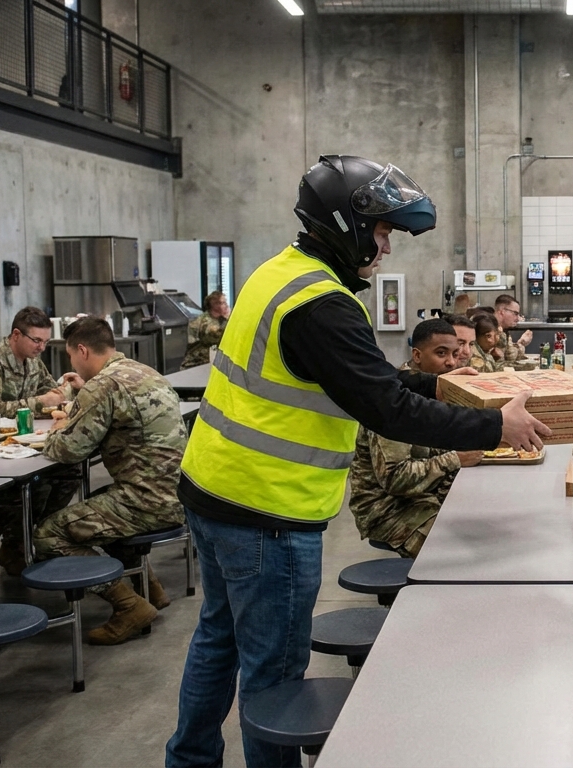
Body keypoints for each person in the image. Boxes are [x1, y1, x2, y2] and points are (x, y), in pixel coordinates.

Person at [167, 155, 549, 768]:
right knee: (274, 674)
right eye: (383, 231)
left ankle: (188, 761)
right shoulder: (323, 304)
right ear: (349, 224)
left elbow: (364, 378)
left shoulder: (282, 273)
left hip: (214, 488)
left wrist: (446, 386)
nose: (387, 246)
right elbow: (385, 408)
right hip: (268, 509)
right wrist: (495, 424)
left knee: (218, 640)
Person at [32, 318, 186, 644]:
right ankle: (150, 588)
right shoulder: (145, 372)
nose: (73, 364)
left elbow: (67, 450)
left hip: (147, 501)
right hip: (178, 494)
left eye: (71, 357)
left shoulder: (102, 386)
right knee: (100, 505)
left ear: (83, 351)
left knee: (48, 533)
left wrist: (58, 430)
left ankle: (128, 605)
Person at [349, 320, 481, 557]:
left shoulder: (438, 388)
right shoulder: (396, 400)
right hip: (388, 510)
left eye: (455, 354)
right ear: (417, 355)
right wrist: (457, 459)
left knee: (491, 529)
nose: (451, 362)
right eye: (441, 353)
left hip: (428, 497)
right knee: (465, 555)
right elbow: (395, 479)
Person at [0, 306, 75, 576]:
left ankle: (30, 540)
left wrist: (65, 390)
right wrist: (39, 402)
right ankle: (14, 545)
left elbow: (51, 392)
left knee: (68, 475)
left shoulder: (32, 360)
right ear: (16, 335)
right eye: (36, 340)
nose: (41, 347)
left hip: (22, 445)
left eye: (46, 341)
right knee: (37, 486)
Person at [183, 291, 230, 369]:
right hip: (195, 364)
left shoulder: (221, 319)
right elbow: (215, 336)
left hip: (210, 363)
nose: (226, 305)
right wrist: (229, 319)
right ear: (214, 305)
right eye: (223, 303)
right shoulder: (204, 321)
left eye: (225, 302)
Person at [493, 294, 532, 363]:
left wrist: (520, 344)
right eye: (515, 313)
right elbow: (499, 360)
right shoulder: (488, 329)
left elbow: (509, 356)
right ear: (502, 312)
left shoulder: (504, 330)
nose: (518, 319)